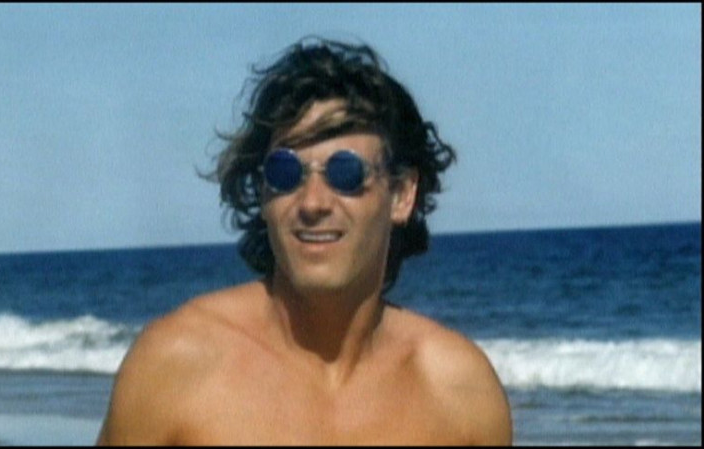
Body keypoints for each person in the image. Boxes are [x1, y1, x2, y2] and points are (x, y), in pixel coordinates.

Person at [97, 37, 512, 445]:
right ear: (262, 192)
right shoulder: (177, 366)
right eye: (285, 172)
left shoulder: (459, 394)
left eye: (346, 173)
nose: (313, 202)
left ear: (402, 194)